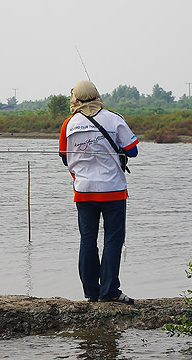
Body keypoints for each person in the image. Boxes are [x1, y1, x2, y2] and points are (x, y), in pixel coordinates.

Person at [59, 80, 139, 304]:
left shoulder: (69, 123)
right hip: (113, 190)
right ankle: (110, 290)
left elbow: (65, 158)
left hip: (83, 191)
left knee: (87, 239)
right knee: (113, 239)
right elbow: (133, 150)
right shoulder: (114, 119)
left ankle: (91, 292)